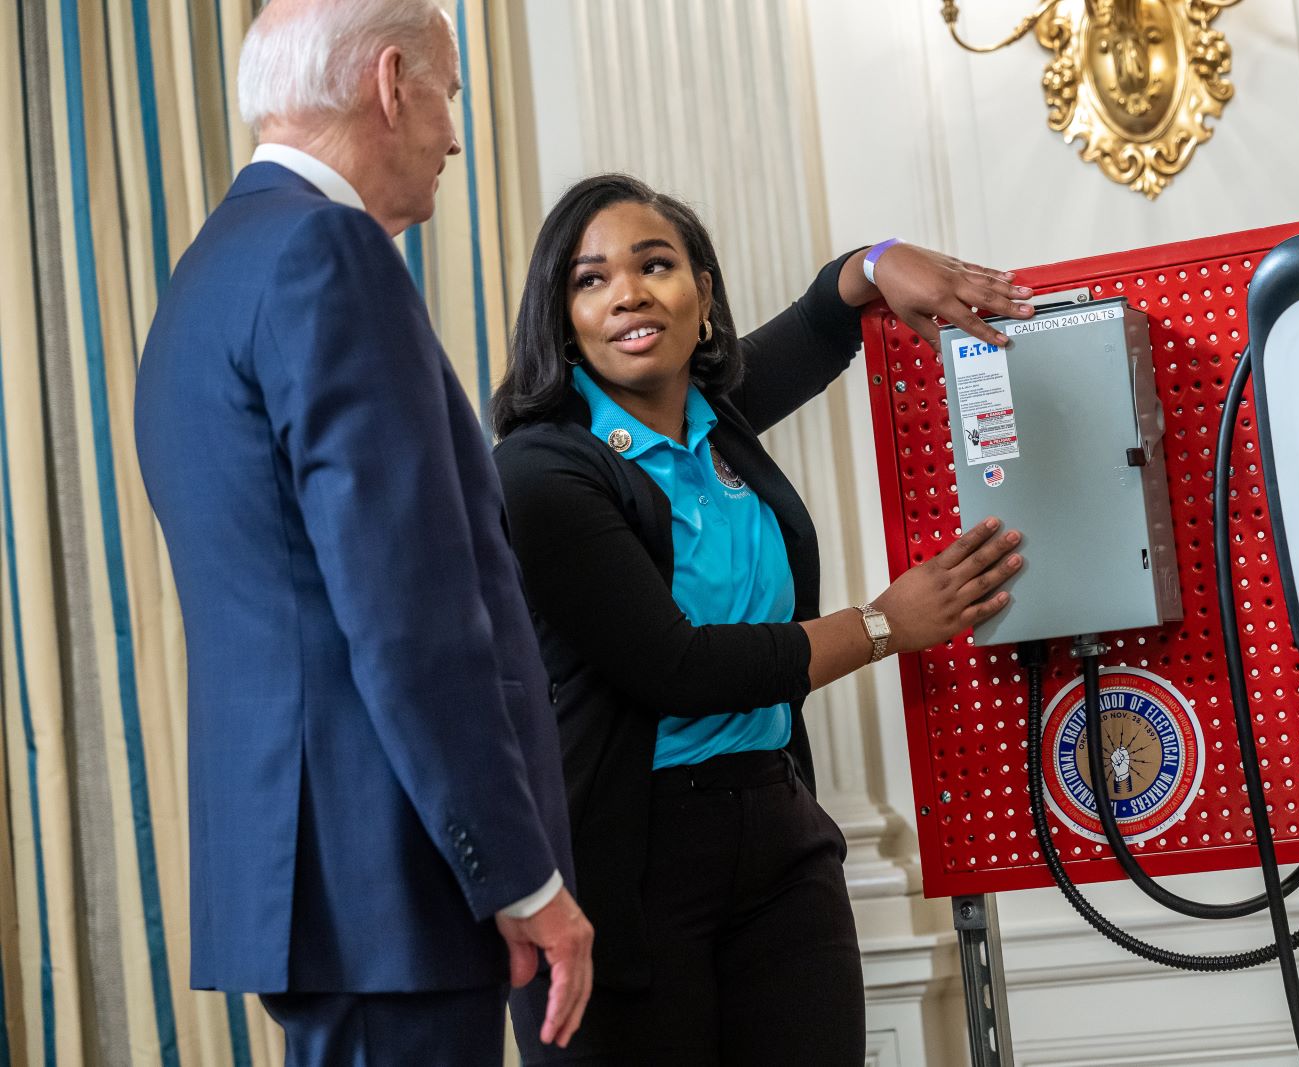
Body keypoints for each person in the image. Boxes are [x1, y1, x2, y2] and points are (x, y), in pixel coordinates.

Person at [133, 1, 592, 1062]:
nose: (453, 137)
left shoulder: (208, 272)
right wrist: (518, 873)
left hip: (307, 880)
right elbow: (409, 610)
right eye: (448, 97)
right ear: (392, 83)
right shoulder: (328, 254)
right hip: (395, 879)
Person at [492, 173, 1033, 1065]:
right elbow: (677, 668)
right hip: (623, 871)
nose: (628, 291)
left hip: (778, 840)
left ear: (702, 294)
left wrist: (880, 260)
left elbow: (824, 319)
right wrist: (882, 624)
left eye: (655, 264)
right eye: (589, 279)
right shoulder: (540, 472)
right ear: (562, 323)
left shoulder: (718, 422)